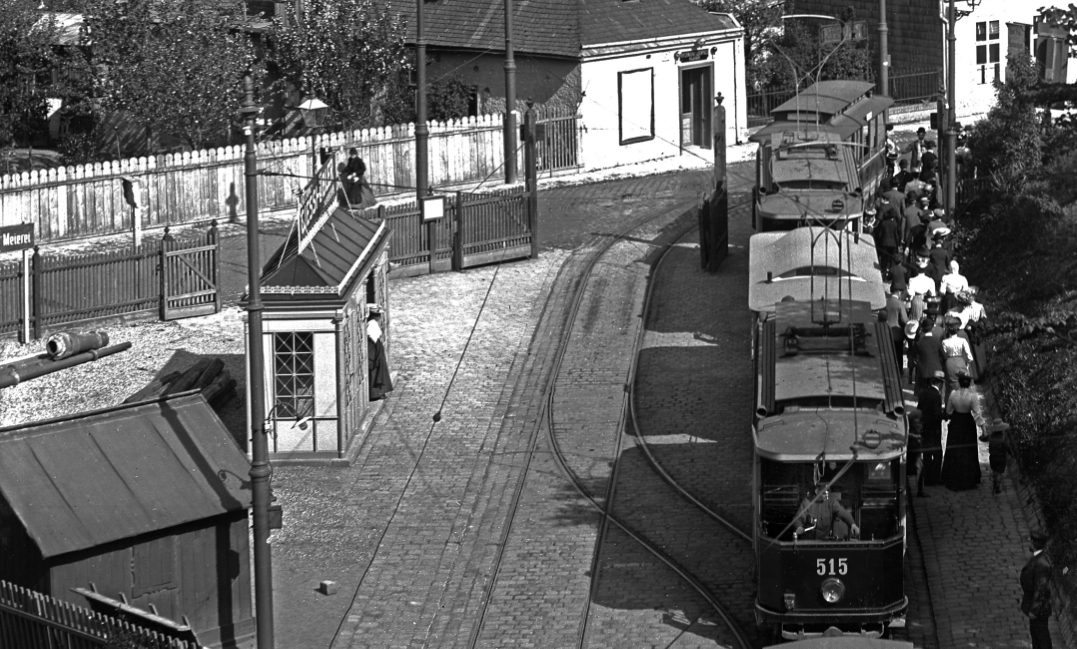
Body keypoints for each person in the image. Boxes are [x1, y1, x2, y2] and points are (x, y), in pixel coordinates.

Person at [941, 372, 985, 491]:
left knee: (955, 448)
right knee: (968, 450)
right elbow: (977, 414)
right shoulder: (972, 396)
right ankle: (969, 478)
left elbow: (949, 411)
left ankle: (952, 476)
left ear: (959, 383)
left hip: (956, 422)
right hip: (967, 423)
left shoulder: (953, 394)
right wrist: (983, 428)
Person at [794, 481, 860, 541]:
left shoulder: (831, 503)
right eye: (824, 493)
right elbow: (798, 518)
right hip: (808, 542)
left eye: (827, 493)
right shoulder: (807, 502)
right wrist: (799, 527)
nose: (826, 496)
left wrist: (852, 524)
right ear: (817, 491)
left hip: (823, 542)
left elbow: (843, 513)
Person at [1021, 530, 1053, 649]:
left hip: (1039, 610)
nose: (1029, 542)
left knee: (1042, 641)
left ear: (1034, 544)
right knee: (1036, 639)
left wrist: (1033, 610)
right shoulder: (1040, 558)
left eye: (1031, 541)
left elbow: (1041, 589)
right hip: (1036, 607)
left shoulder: (1041, 563)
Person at [917, 371, 945, 486]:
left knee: (927, 454)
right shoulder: (936, 396)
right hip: (934, 430)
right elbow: (937, 414)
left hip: (924, 428)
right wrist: (946, 415)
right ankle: (935, 478)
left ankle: (927, 479)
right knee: (938, 454)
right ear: (940, 384)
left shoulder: (924, 393)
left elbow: (919, 410)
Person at [367, 305, 393, 400]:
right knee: (376, 371)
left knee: (379, 371)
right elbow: (373, 338)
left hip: (377, 349)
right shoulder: (372, 324)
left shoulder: (372, 323)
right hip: (374, 350)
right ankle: (376, 393)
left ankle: (379, 392)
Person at [941, 319, 973, 396]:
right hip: (960, 362)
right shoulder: (963, 340)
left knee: (949, 386)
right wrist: (967, 365)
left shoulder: (945, 342)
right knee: (963, 385)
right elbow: (970, 357)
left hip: (949, 363)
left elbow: (944, 356)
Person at [985, 418, 1011, 494]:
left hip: (993, 457)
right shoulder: (1003, 438)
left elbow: (983, 438)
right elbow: (1007, 447)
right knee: (999, 473)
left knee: (994, 471)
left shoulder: (991, 437)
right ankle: (997, 488)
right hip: (1001, 458)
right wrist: (1011, 453)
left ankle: (994, 484)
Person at [906, 407, 926, 497]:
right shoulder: (912, 436)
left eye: (919, 423)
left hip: (914, 460)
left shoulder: (916, 434)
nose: (918, 425)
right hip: (911, 462)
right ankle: (919, 491)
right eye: (916, 423)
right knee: (920, 467)